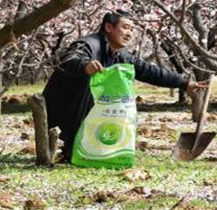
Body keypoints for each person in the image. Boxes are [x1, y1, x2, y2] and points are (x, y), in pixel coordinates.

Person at [43, 10, 208, 161]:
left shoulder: (120, 54)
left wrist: (184, 83)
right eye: (125, 28)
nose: (129, 34)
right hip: (64, 109)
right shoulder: (88, 44)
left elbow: (147, 71)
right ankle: (73, 145)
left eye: (131, 30)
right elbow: (70, 59)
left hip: (89, 113)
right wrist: (85, 66)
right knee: (90, 84)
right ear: (108, 27)